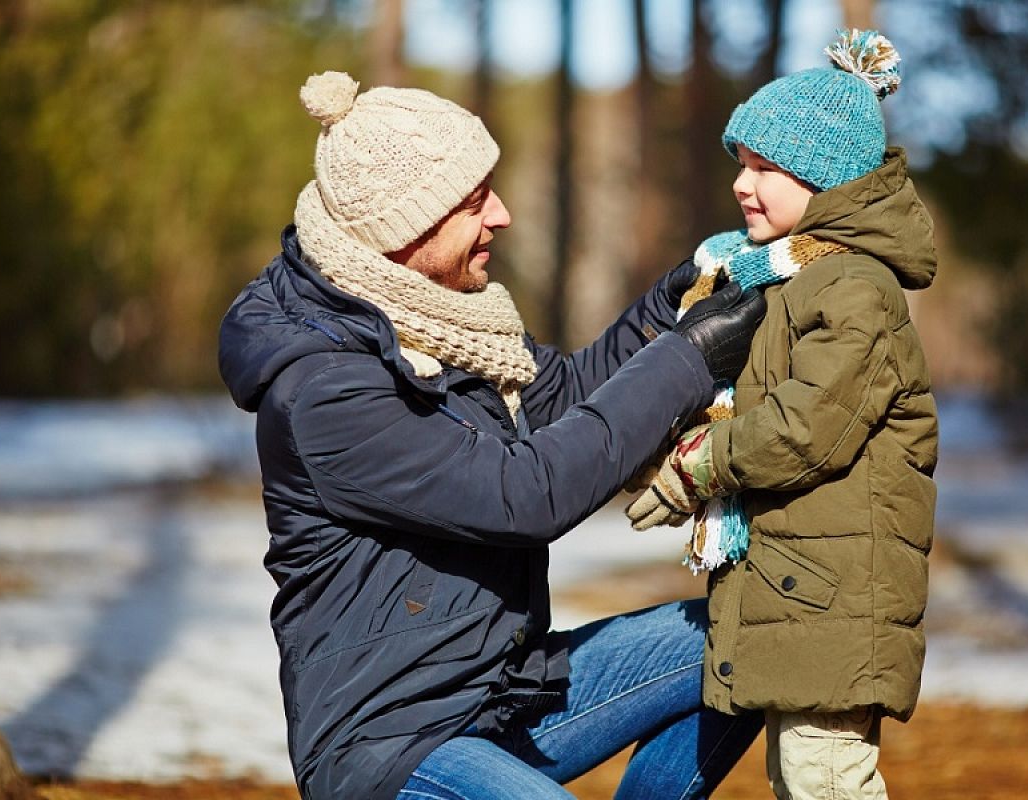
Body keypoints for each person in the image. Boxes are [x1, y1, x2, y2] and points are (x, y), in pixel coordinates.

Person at [218, 71, 768, 800]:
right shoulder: (326, 388)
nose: (502, 216)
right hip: (392, 744)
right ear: (404, 228)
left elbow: (567, 397)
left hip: (503, 692)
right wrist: (689, 359)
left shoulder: (442, 320)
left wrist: (670, 306)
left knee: (758, 638)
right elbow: (526, 494)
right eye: (476, 203)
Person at [626, 30, 939, 800]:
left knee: (824, 778)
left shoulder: (854, 288)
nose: (743, 183)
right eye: (741, 163)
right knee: (799, 778)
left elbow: (806, 429)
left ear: (826, 181)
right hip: (798, 588)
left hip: (837, 596)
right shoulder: (780, 279)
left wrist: (695, 471)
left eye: (767, 168)